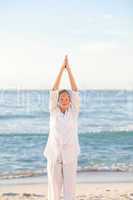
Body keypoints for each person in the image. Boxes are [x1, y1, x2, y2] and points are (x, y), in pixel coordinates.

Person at [43, 55, 80, 200]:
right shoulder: (53, 112)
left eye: (67, 98)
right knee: (54, 193)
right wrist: (61, 69)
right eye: (62, 98)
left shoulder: (74, 112)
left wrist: (68, 70)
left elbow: (75, 90)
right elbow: (53, 89)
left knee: (70, 194)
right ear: (58, 101)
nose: (64, 100)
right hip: (54, 156)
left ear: (70, 101)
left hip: (70, 156)